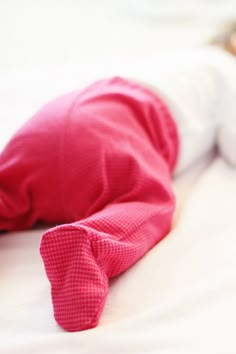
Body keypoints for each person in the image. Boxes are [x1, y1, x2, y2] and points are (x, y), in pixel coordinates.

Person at [0, 24, 236, 332]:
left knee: (9, 189)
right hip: (118, 130)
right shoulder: (227, 70)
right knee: (152, 201)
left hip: (53, 121)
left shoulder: (172, 60)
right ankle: (89, 245)